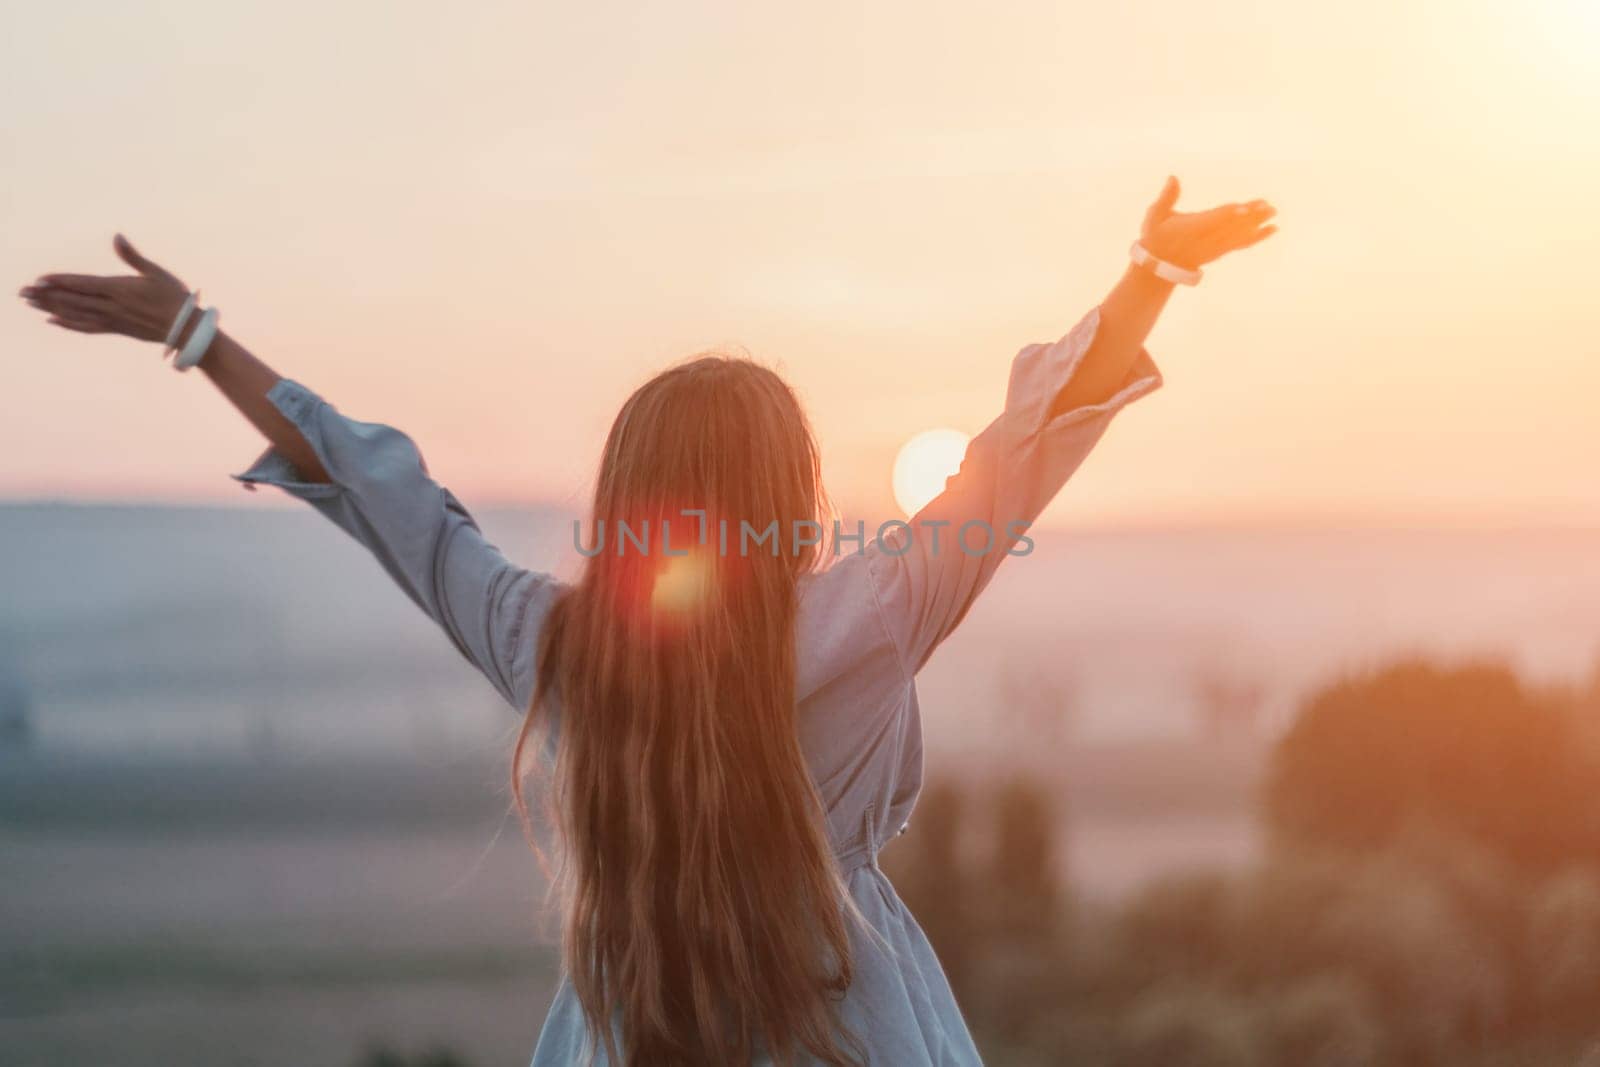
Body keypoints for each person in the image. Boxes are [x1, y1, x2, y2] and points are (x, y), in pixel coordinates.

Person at [19, 177, 1275, 1066]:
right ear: (789, 490)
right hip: (858, 1026)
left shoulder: (554, 644)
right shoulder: (873, 610)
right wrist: (1151, 274)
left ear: (626, 500)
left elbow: (384, 499)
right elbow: (1024, 454)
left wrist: (202, 339)